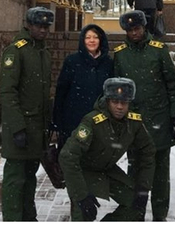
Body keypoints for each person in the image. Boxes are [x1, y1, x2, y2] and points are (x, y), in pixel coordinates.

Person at [113, 10, 175, 221]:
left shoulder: (159, 51)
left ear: (144, 28)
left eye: (137, 28)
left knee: (160, 176)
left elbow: (172, 85)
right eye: (130, 29)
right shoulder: (120, 53)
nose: (134, 33)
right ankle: (136, 214)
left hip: (159, 122)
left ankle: (160, 216)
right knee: (136, 175)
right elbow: (116, 90)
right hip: (133, 126)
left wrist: (174, 116)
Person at [59, 77, 156, 222]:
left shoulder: (134, 122)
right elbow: (67, 156)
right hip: (84, 171)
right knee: (84, 212)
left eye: (124, 102)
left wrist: (143, 188)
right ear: (107, 101)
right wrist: (81, 196)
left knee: (135, 205)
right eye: (115, 102)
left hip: (107, 169)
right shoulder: (92, 122)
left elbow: (148, 151)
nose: (119, 107)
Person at [0, 6, 54, 221]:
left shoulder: (43, 51)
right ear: (28, 25)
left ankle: (28, 217)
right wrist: (17, 127)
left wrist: (48, 125)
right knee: (15, 180)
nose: (43, 30)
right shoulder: (16, 50)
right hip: (20, 128)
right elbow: (7, 91)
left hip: (37, 129)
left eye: (46, 27)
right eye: (39, 26)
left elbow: (43, 91)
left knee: (30, 178)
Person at [52, 24, 113, 149]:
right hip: (74, 119)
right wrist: (57, 120)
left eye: (95, 37)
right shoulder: (72, 61)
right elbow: (61, 91)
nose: (92, 40)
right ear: (82, 40)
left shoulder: (108, 63)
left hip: (100, 119)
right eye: (88, 37)